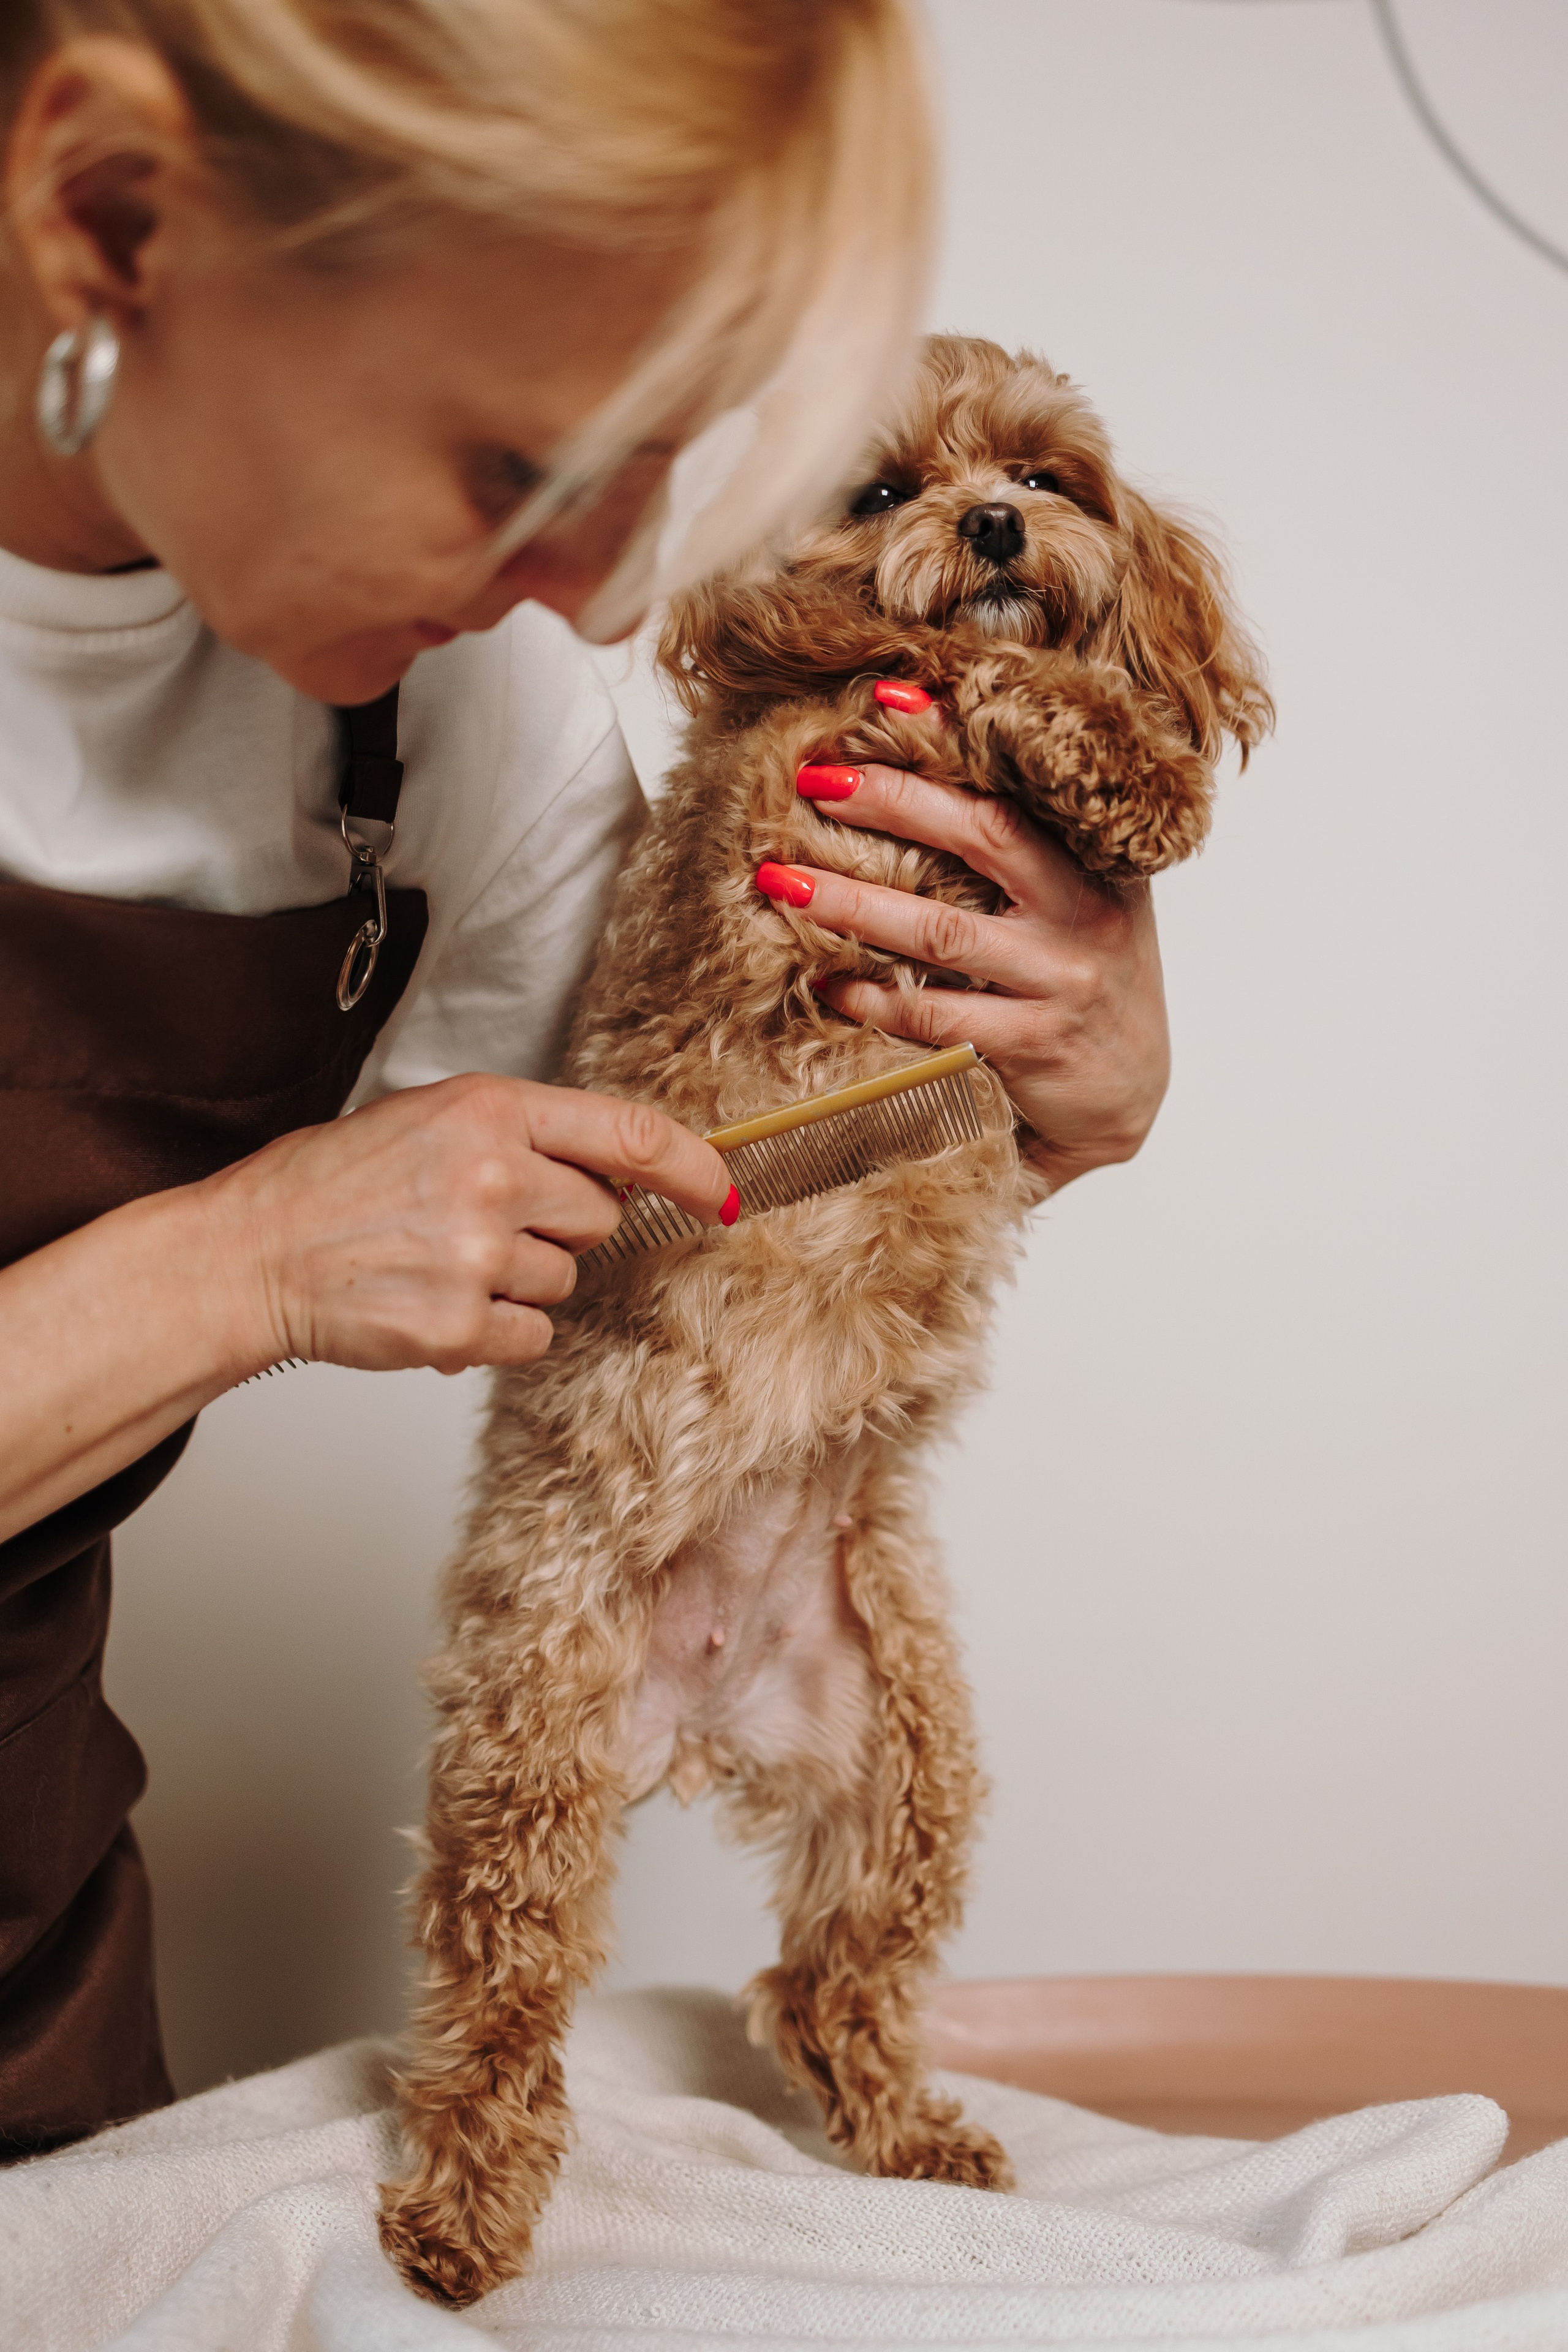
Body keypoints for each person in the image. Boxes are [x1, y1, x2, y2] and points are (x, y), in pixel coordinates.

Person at [0, 0, 1172, 2158]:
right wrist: (246, 1267)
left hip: (26, 1932)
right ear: (108, 216)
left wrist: (1051, 1089)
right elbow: (311, 1255)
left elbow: (692, 1221)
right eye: (521, 465)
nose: (624, 590)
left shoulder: (468, 710)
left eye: (673, 461)